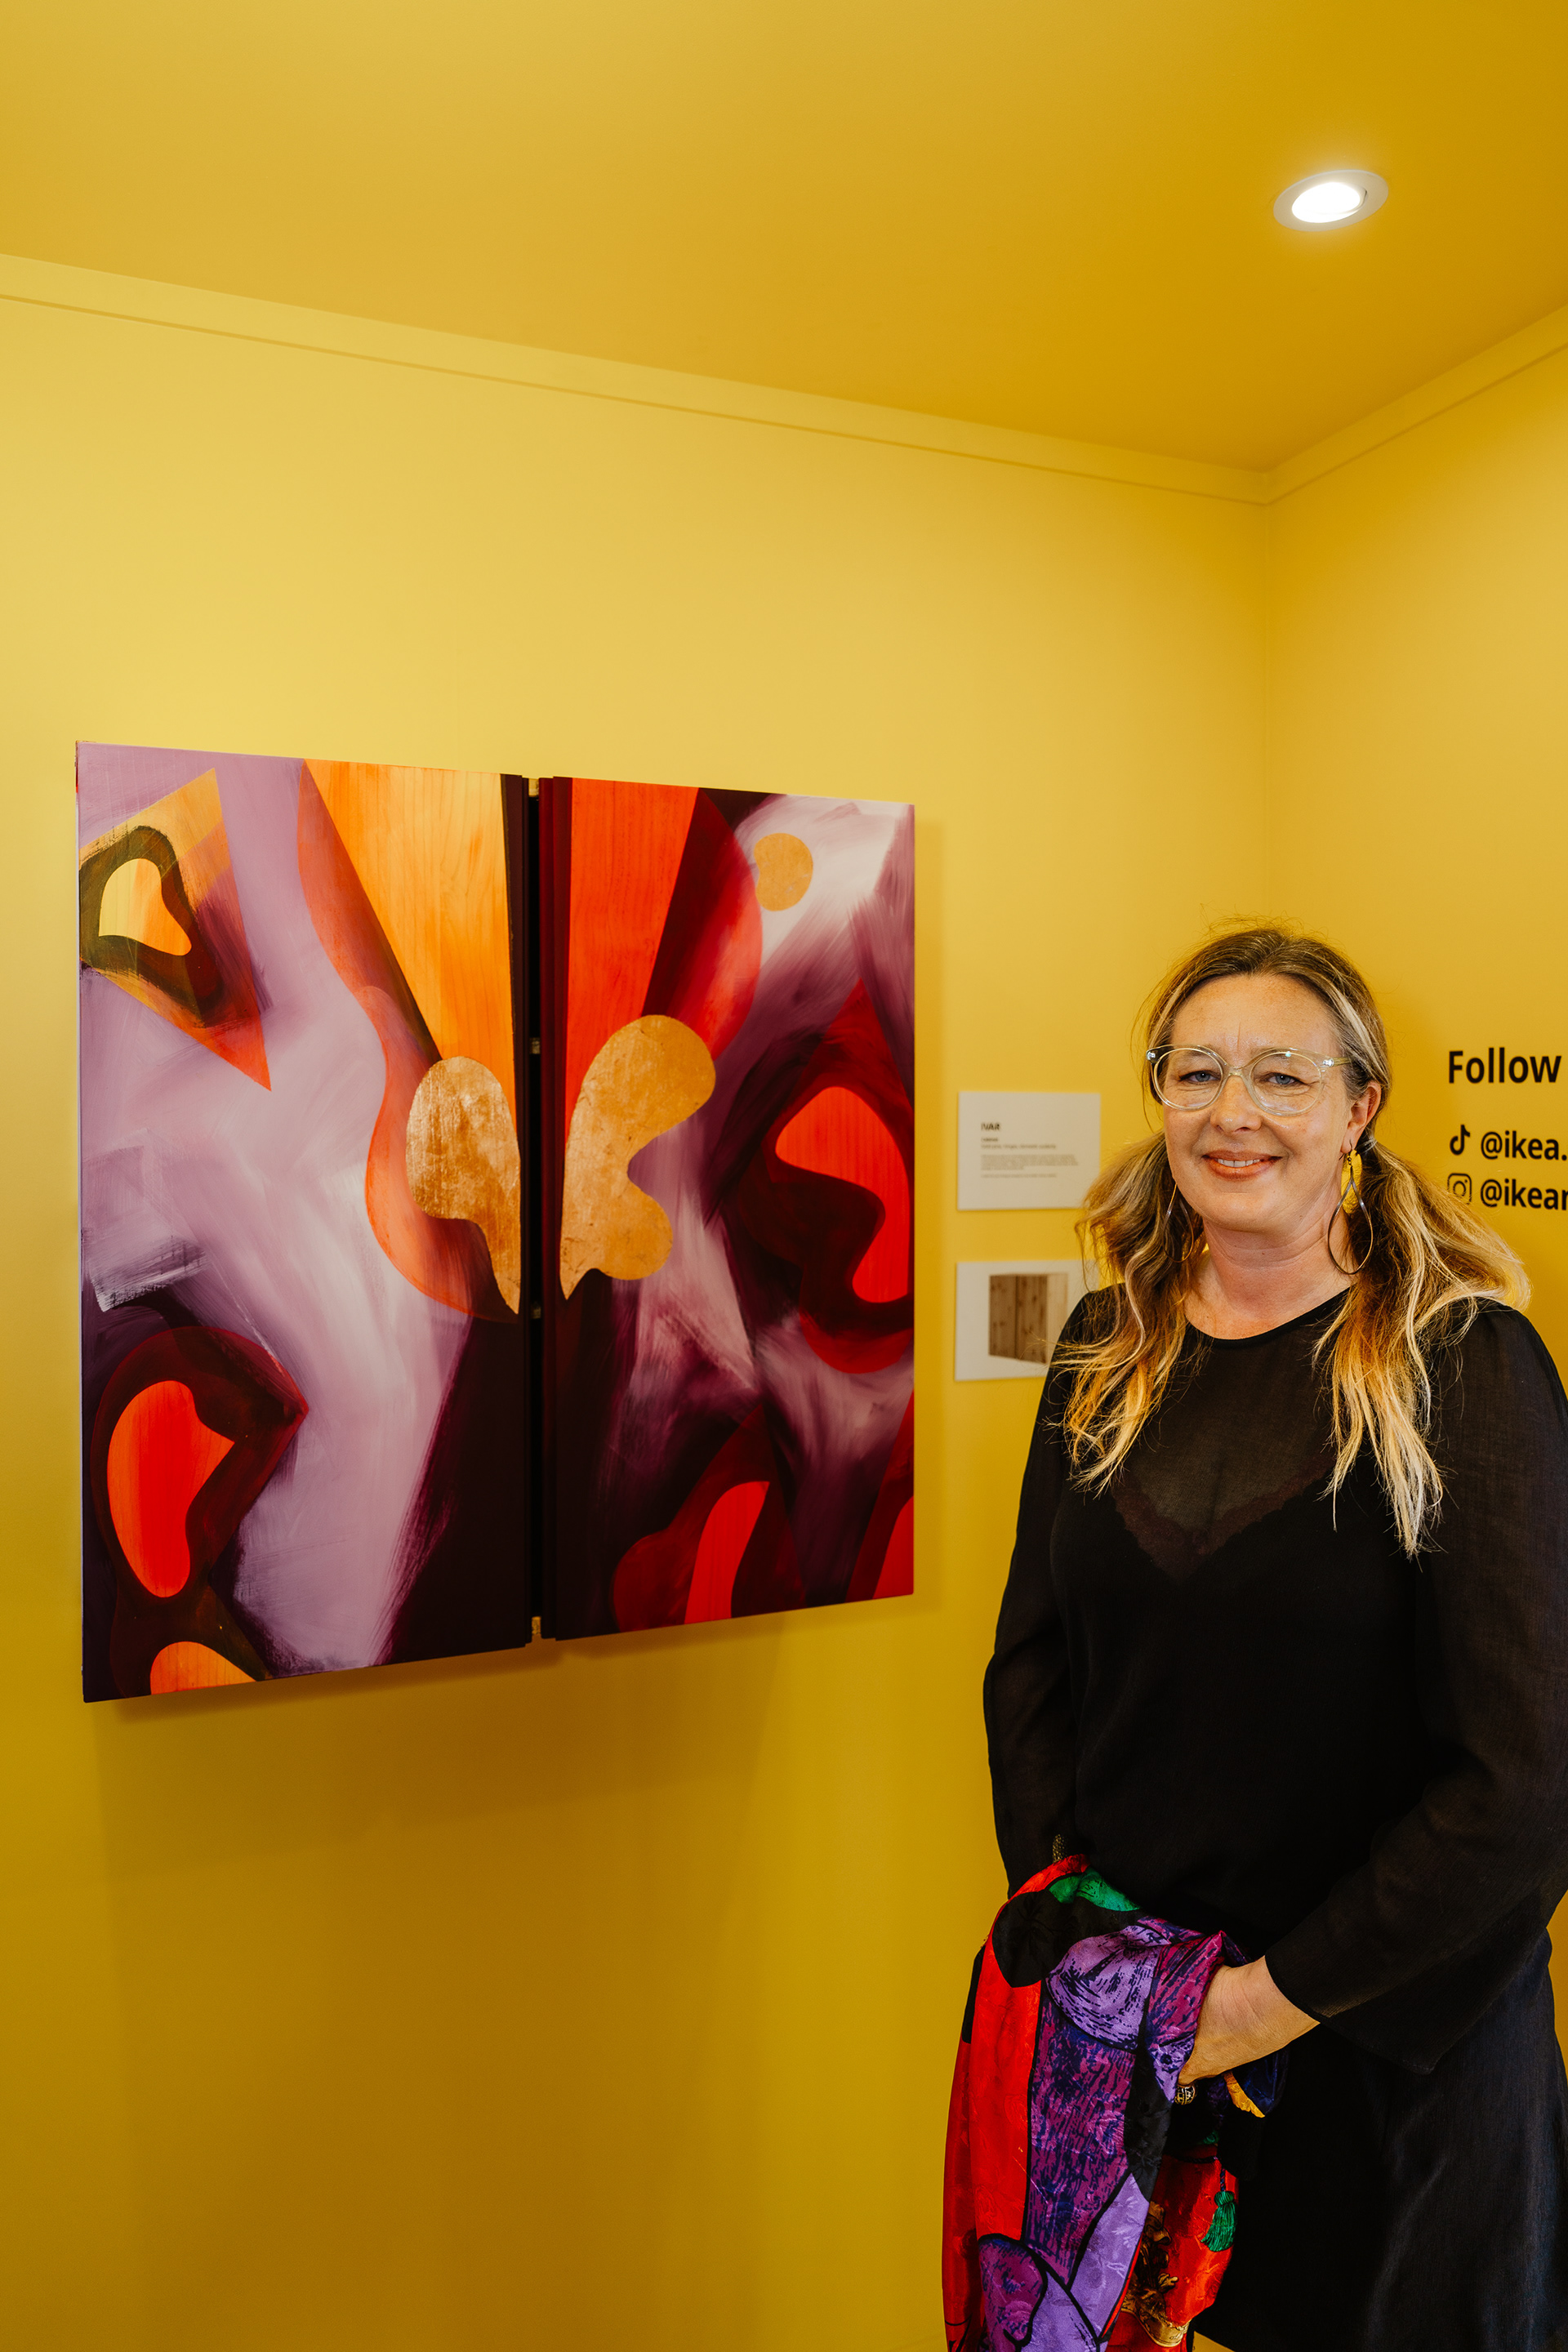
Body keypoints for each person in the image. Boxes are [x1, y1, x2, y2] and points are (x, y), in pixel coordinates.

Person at [984, 924, 1568, 2351]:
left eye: (1281, 1077)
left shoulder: (1462, 1366)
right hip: (1148, 2056)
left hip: (1393, 2076)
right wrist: (1097, 1959)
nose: (1232, 1113)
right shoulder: (1105, 1348)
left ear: (1359, 1106)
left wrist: (1259, 2006)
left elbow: (1525, 1780)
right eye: (1196, 1073)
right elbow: (1033, 1673)